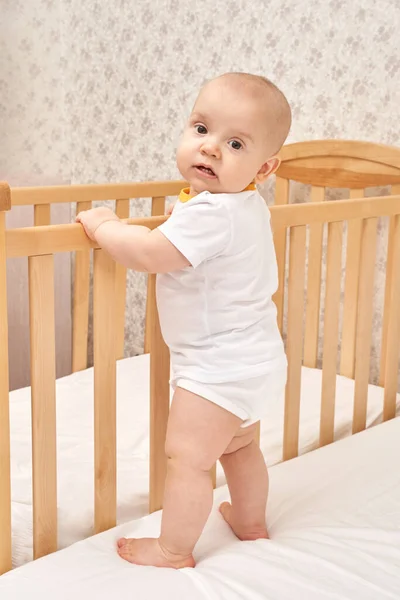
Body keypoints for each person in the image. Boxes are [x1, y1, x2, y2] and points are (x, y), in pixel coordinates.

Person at [76, 72, 292, 569]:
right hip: (257, 360)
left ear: (264, 166)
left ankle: (173, 548)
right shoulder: (247, 208)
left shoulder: (211, 214)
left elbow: (151, 253)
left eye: (234, 143)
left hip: (216, 367)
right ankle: (249, 521)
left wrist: (105, 224)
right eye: (201, 129)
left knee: (189, 460)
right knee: (239, 448)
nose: (211, 148)